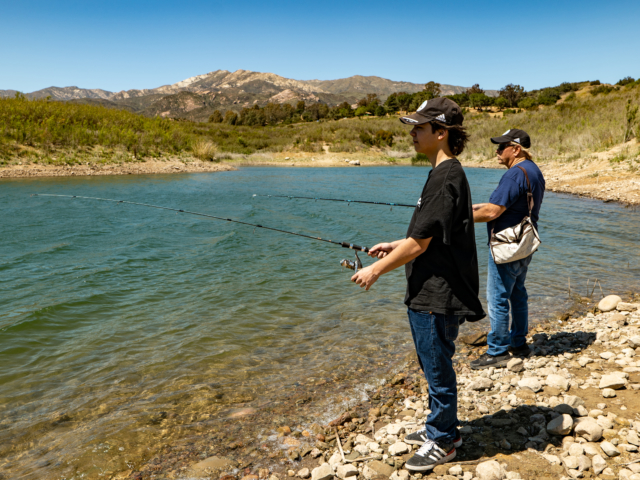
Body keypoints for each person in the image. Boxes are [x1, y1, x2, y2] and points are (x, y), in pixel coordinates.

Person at [351, 98, 485, 472]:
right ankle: (441, 428)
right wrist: (396, 244)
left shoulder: (446, 177)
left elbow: (421, 244)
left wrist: (376, 271)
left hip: (436, 294)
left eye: (419, 128)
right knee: (432, 364)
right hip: (433, 289)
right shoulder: (444, 174)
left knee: (437, 368)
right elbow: (432, 233)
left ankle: (443, 440)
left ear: (441, 133)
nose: (412, 133)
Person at [470, 129, 545, 370]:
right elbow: (510, 205)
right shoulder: (533, 170)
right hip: (524, 244)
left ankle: (498, 351)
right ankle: (519, 343)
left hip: (507, 247)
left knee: (498, 298)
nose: (497, 151)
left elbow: (493, 212)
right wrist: (475, 207)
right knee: (518, 293)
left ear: (516, 149)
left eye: (502, 147)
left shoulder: (514, 175)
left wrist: (457, 217)